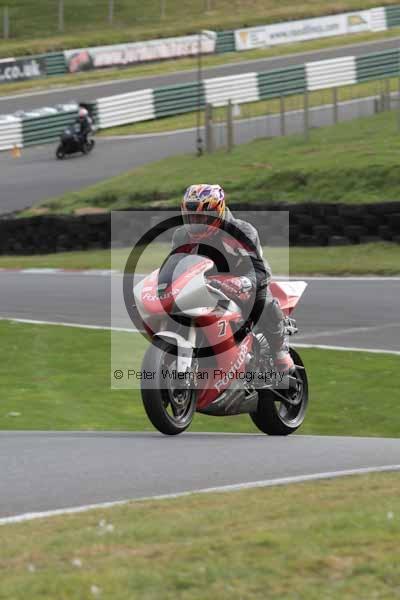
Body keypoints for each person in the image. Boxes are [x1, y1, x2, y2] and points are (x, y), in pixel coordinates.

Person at [171, 184, 294, 373]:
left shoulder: (241, 231)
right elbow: (174, 266)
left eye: (202, 218)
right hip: (205, 284)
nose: (195, 224)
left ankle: (280, 352)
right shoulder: (181, 235)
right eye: (191, 218)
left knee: (264, 301)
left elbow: (260, 269)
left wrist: (243, 282)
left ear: (217, 212)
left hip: (244, 280)